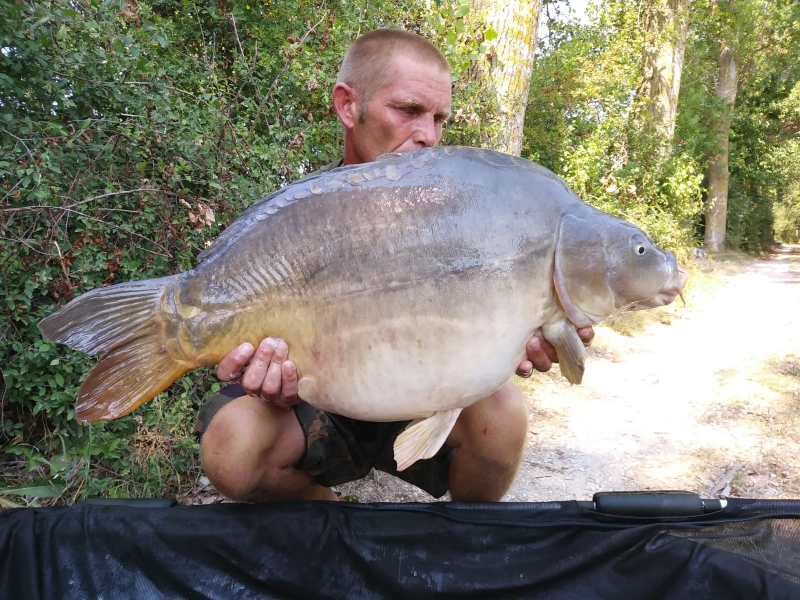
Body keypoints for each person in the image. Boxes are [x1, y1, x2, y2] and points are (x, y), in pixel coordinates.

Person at [197, 29, 594, 503]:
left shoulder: (466, 215)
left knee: (503, 417)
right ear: (348, 106)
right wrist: (275, 383)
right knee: (231, 448)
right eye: (408, 111)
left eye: (439, 118)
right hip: (323, 400)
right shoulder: (298, 223)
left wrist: (525, 338)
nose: (428, 135)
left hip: (424, 391)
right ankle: (337, 534)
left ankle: (461, 546)